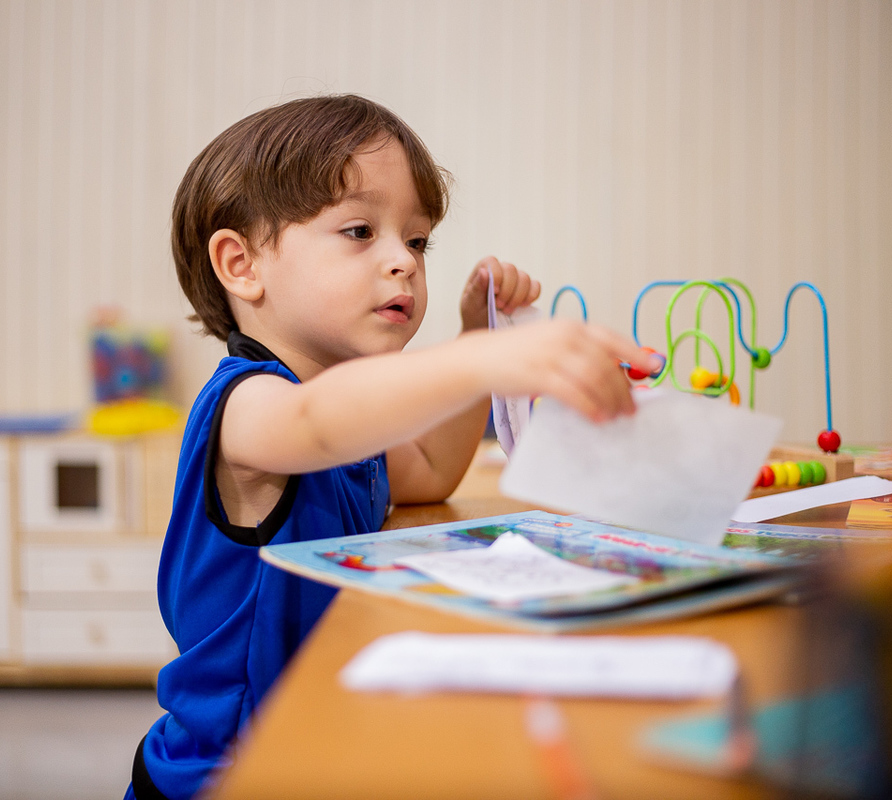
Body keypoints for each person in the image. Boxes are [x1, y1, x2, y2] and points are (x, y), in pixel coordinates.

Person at [126, 94, 659, 800]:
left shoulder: (352, 423)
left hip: (330, 737)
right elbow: (314, 422)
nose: (403, 262)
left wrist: (479, 337)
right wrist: (487, 366)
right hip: (230, 773)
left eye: (416, 240)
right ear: (242, 264)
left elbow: (433, 471)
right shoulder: (247, 406)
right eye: (358, 231)